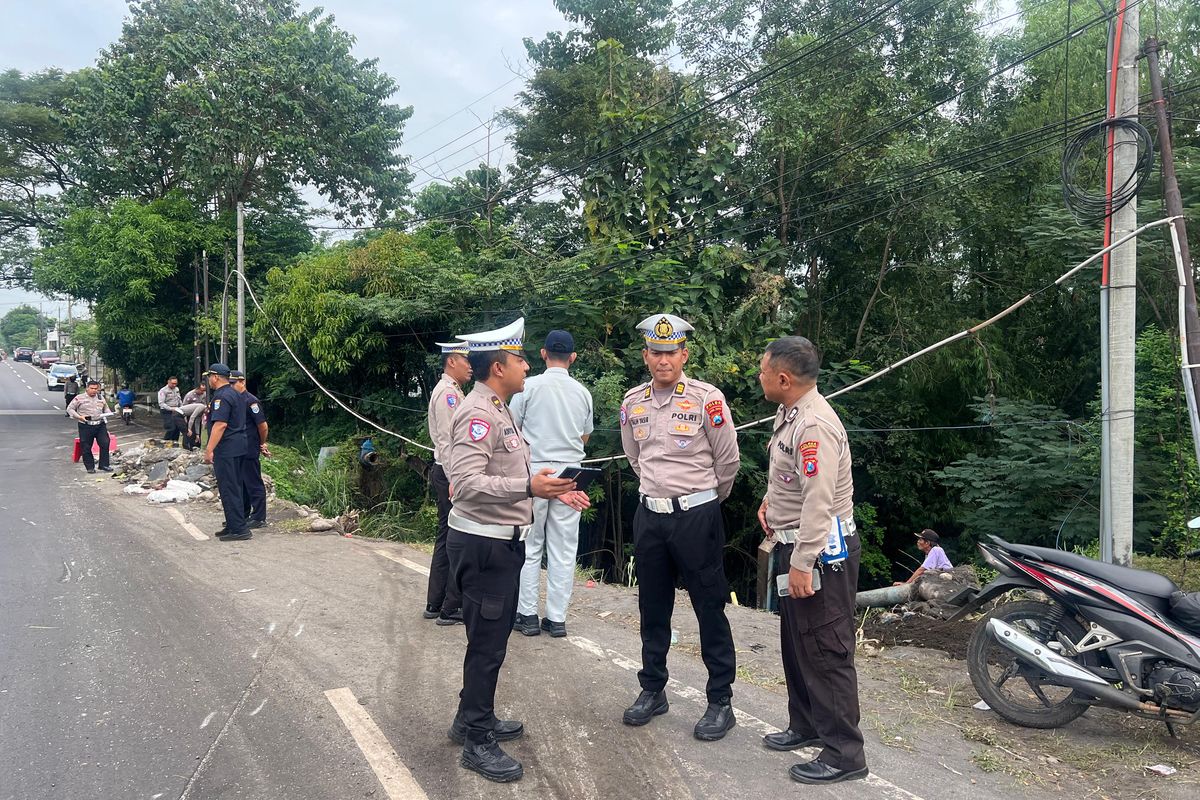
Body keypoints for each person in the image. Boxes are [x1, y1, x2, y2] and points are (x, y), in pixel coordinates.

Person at [443, 317, 588, 783]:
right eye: (520, 359)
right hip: (484, 544)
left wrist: (548, 490)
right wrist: (528, 485)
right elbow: (464, 483)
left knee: (491, 641)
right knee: (487, 646)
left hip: (498, 541)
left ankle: (470, 718)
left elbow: (505, 475)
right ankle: (477, 741)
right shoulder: (480, 414)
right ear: (498, 367)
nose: (527, 365)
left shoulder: (501, 407)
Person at [618, 313, 741, 741]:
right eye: (656, 352)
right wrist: (659, 494)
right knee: (652, 607)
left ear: (684, 355)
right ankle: (653, 689)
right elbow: (634, 457)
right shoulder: (632, 402)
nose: (663, 360)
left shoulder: (708, 400)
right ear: (645, 355)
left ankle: (720, 701)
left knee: (710, 606)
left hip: (697, 517)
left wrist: (703, 502)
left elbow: (728, 462)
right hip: (649, 516)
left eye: (671, 352)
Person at [756, 335, 868, 785]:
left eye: (763, 371)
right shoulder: (791, 413)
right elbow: (792, 479)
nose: (758, 376)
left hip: (820, 552)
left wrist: (803, 562)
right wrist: (769, 501)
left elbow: (820, 502)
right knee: (797, 643)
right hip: (795, 544)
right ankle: (805, 724)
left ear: (783, 378)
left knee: (825, 649)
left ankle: (844, 753)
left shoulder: (815, 425)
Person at [509, 329, 594, 638]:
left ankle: (527, 615)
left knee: (530, 547)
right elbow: (585, 436)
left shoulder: (527, 387)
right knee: (563, 549)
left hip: (534, 475)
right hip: (571, 478)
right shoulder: (582, 393)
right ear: (572, 357)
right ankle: (556, 619)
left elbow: (513, 430)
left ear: (543, 354)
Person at [423, 339, 472, 627]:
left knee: (446, 537)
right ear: (452, 361)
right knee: (455, 539)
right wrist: (457, 479)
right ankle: (449, 606)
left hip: (447, 472)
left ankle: (437, 601)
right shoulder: (448, 395)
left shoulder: (452, 392)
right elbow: (447, 441)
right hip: (449, 473)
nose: (469, 367)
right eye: (466, 361)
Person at [203, 363, 251, 541]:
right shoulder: (235, 393)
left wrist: (209, 449)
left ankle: (239, 529)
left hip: (227, 448)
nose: (208, 380)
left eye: (209, 377)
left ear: (215, 377)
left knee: (229, 487)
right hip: (239, 445)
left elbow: (220, 424)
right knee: (235, 486)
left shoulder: (221, 397)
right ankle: (233, 524)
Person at [231, 370, 270, 529]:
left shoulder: (251, 401)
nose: (231, 386)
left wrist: (262, 443)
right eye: (230, 384)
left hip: (249, 447)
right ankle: (244, 515)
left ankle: (259, 517)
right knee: (241, 484)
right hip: (237, 448)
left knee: (253, 483)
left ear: (242, 382)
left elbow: (263, 426)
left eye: (234, 383)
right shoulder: (234, 400)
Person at [67, 379, 115, 474]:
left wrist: (109, 414)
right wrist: (79, 417)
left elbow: (106, 409)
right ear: (87, 388)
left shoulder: (101, 398)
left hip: (100, 424)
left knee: (105, 443)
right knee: (86, 446)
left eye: (96, 389)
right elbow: (70, 409)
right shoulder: (79, 398)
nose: (94, 391)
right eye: (91, 388)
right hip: (86, 425)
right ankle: (90, 467)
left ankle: (104, 465)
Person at [157, 376, 185, 447]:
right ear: (168, 382)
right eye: (173, 383)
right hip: (167, 411)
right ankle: (165, 443)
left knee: (177, 428)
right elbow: (161, 403)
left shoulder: (176, 389)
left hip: (177, 410)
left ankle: (175, 444)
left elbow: (179, 399)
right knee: (171, 427)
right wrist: (170, 408)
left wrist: (181, 407)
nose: (174, 385)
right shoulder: (163, 391)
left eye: (176, 383)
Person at [180, 383, 207, 448]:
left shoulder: (204, 394)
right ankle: (188, 446)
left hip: (199, 413)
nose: (203, 392)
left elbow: (204, 403)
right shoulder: (189, 395)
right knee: (190, 432)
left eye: (204, 390)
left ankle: (197, 445)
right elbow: (184, 406)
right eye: (201, 390)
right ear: (197, 389)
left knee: (198, 431)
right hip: (190, 414)